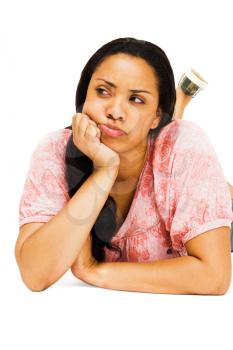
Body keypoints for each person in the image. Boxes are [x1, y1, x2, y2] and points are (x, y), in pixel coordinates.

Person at [15, 37, 233, 295]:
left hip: (215, 208)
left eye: (136, 99)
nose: (115, 111)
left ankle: (180, 104)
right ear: (83, 95)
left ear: (156, 116)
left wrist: (93, 271)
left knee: (182, 147)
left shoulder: (184, 143)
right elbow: (34, 274)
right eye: (103, 91)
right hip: (177, 169)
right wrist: (104, 170)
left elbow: (214, 276)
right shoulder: (54, 151)